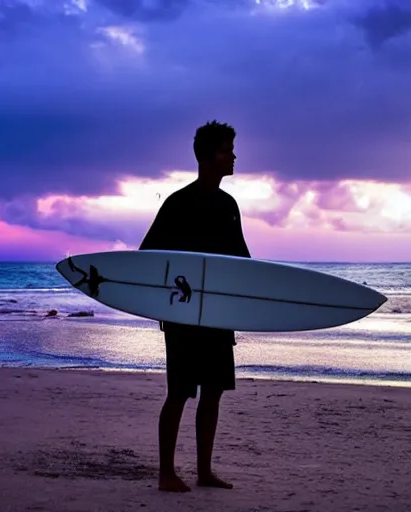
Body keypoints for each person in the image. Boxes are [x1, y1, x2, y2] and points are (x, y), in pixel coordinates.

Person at [139, 120, 251, 493]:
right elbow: (148, 255)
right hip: (184, 313)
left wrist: (249, 299)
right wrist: (164, 303)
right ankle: (166, 473)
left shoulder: (229, 205)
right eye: (225, 150)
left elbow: (242, 262)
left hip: (218, 313)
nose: (233, 156)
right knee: (180, 392)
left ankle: (204, 470)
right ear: (207, 156)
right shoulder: (178, 203)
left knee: (213, 390)